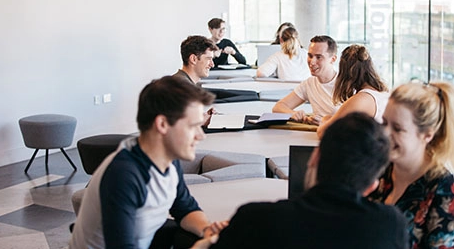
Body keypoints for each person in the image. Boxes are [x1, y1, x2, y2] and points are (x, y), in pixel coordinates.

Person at [193, 113, 409, 249]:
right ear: (372, 186)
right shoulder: (390, 225)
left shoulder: (257, 219)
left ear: (314, 158)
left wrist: (211, 240)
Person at [69, 76, 228, 249]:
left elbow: (185, 208)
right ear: (162, 124)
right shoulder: (123, 175)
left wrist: (207, 230)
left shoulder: (167, 160)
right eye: (193, 126)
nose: (201, 135)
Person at [368, 81, 454, 249]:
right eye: (384, 123)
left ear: (427, 135)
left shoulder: (444, 195)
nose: (384, 133)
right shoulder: (377, 169)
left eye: (397, 129)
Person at [316, 44, 388, 139]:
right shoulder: (383, 94)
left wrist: (324, 120)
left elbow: (324, 133)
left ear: (345, 72)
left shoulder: (362, 99)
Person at [272, 35, 338, 125]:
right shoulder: (309, 84)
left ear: (333, 59)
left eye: (318, 57)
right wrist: (293, 113)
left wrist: (326, 122)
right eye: (310, 56)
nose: (312, 62)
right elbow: (278, 107)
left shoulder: (347, 84)